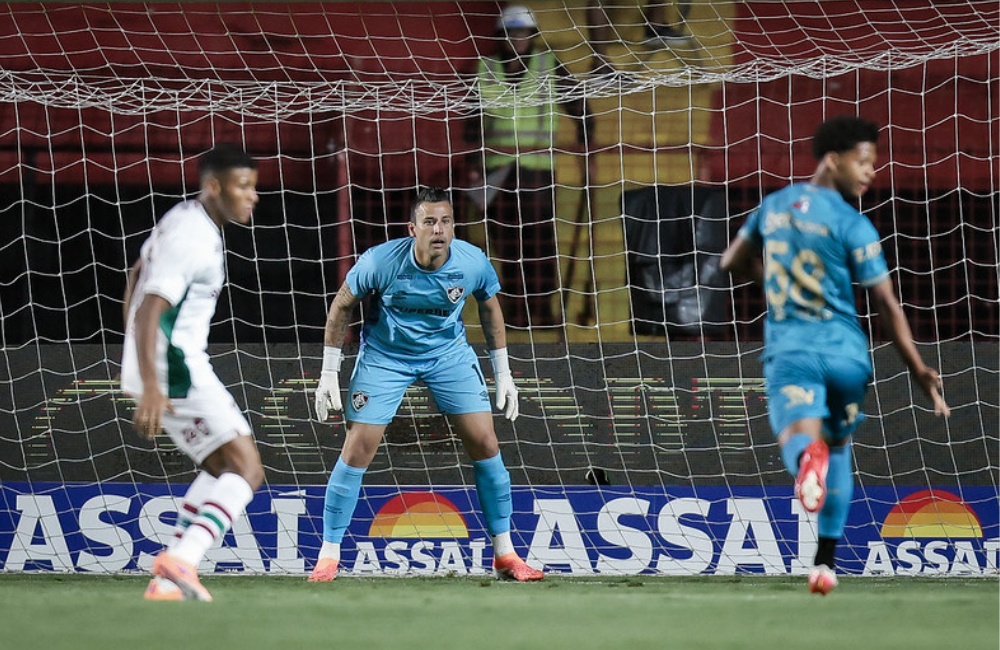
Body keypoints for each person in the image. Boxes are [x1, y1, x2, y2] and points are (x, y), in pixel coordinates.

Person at [720, 115, 950, 595]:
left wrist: (768, 284)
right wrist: (919, 369)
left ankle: (808, 459)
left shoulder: (774, 206)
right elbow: (887, 303)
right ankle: (825, 564)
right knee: (841, 448)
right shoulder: (854, 224)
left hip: (793, 351)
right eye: (863, 161)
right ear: (833, 160)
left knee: (804, 444)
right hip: (848, 355)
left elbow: (730, 261)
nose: (871, 171)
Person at [311, 187, 543, 582]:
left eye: (447, 221)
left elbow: (490, 309)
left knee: (486, 442)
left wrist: (503, 373)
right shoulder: (381, 262)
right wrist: (329, 372)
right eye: (430, 222)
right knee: (358, 448)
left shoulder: (472, 263)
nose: (440, 229)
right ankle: (328, 554)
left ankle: (505, 554)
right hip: (386, 356)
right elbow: (341, 305)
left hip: (448, 356)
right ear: (412, 228)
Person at [121, 144, 264, 601]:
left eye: (254, 187)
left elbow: (136, 276)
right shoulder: (194, 237)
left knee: (219, 466)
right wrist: (152, 383)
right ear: (213, 186)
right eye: (243, 187)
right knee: (246, 469)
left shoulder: (184, 217)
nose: (252, 197)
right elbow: (151, 307)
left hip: (163, 361)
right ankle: (183, 558)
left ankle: (167, 579)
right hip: (175, 367)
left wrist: (134, 358)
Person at [466, 4, 591, 327]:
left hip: (537, 171)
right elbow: (470, 124)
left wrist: (585, 148)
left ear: (533, 36)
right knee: (505, 243)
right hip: (497, 172)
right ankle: (516, 310)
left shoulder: (549, 65)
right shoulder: (483, 68)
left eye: (524, 32)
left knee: (540, 242)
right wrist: (473, 164)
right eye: (512, 32)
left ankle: (543, 310)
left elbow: (581, 108)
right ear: (501, 36)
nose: (518, 38)